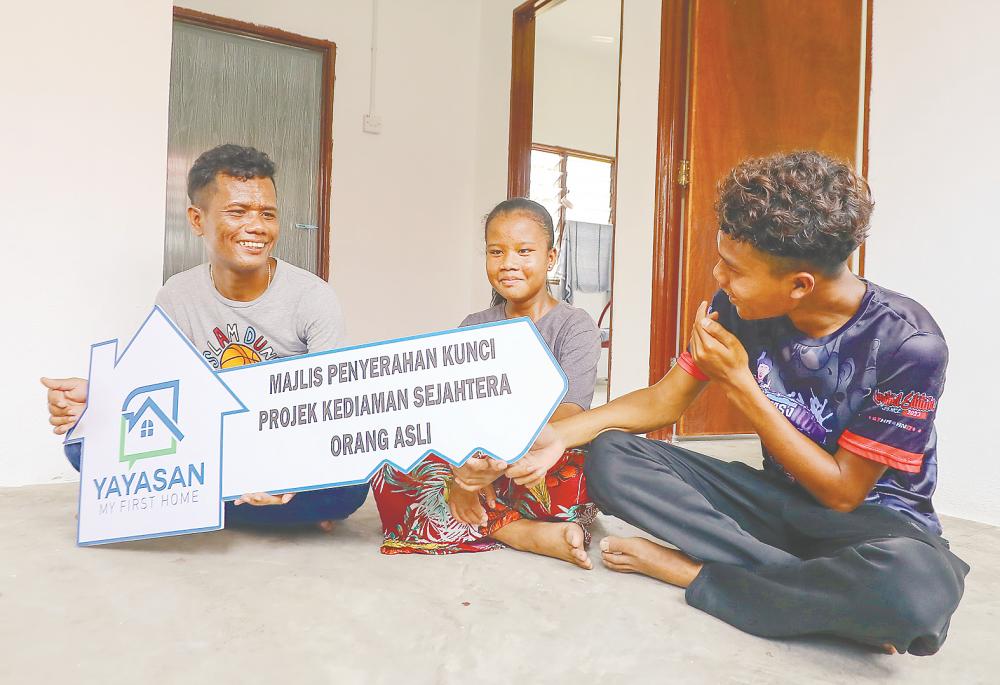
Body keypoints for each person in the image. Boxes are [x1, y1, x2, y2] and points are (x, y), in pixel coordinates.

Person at [485, 152, 968, 654]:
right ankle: (825, 596)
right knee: (609, 455)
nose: (718, 276)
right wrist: (561, 434)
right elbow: (664, 401)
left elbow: (843, 493)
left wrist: (740, 386)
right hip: (777, 505)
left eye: (734, 269)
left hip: (873, 527)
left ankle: (699, 573)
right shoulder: (739, 304)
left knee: (914, 591)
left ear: (799, 285)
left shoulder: (909, 343)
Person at [43, 144, 368, 529]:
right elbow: (158, 392)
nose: (257, 227)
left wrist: (290, 468)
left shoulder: (313, 297)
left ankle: (179, 502)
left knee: (353, 481)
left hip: (284, 443)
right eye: (237, 212)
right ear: (198, 220)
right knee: (82, 443)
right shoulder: (177, 295)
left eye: (268, 213)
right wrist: (101, 400)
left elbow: (332, 408)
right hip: (211, 445)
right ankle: (265, 509)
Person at [371, 198, 602, 567]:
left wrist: (496, 460)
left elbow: (570, 414)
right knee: (389, 464)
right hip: (474, 460)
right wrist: (466, 473)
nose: (508, 263)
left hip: (533, 459)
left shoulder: (575, 326)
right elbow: (448, 409)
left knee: (580, 472)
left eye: (524, 251)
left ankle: (483, 519)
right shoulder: (474, 325)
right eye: (496, 251)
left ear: (550, 256)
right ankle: (520, 532)